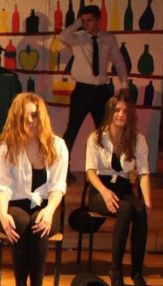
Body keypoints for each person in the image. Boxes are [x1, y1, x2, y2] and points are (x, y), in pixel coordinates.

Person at [0, 92, 68, 286]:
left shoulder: (58, 146)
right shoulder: (8, 147)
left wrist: (50, 210)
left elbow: (58, 186)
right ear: (16, 118)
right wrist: (2, 214)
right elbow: (2, 187)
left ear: (41, 116)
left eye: (34, 115)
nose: (30, 121)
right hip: (15, 203)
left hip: (47, 204)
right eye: (24, 117)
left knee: (38, 223)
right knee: (19, 221)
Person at [85, 93, 152, 286]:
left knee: (140, 210)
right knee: (125, 210)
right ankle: (115, 270)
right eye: (117, 110)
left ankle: (137, 272)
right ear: (110, 112)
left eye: (125, 111)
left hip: (123, 188)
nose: (121, 114)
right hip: (99, 189)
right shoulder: (96, 137)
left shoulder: (138, 139)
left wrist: (148, 201)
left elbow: (144, 173)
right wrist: (105, 192)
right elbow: (90, 172)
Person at [60, 5, 127, 179]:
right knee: (72, 130)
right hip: (82, 89)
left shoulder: (108, 38)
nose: (86, 24)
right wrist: (78, 23)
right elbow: (63, 36)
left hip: (101, 91)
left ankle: (107, 169)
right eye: (83, 20)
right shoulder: (77, 37)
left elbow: (118, 61)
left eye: (89, 20)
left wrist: (124, 83)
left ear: (98, 20)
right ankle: (62, 170)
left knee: (106, 132)